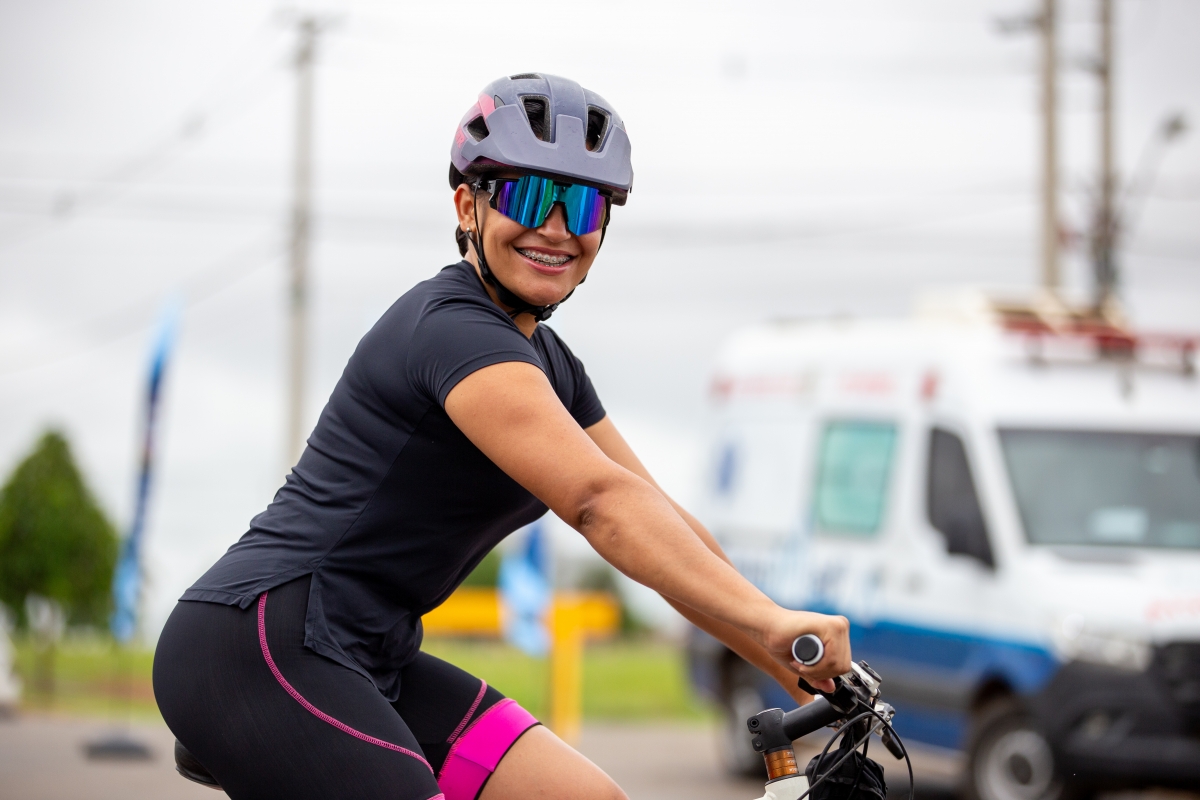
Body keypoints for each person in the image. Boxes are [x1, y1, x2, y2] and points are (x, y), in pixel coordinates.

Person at [153, 73, 851, 800]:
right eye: (528, 196)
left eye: (583, 204)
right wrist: (768, 623)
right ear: (468, 207)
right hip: (260, 647)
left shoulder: (551, 365)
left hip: (370, 654)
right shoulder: (452, 331)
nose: (556, 227)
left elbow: (656, 514)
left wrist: (784, 654)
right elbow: (599, 502)